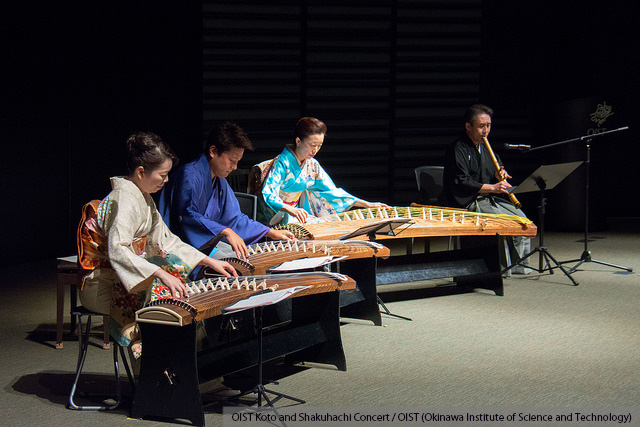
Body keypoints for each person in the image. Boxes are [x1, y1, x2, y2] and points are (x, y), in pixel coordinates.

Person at [79, 132, 237, 355]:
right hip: (106, 282)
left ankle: (182, 369)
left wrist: (207, 260)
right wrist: (159, 274)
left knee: (175, 282)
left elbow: (167, 240)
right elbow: (118, 250)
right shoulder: (124, 198)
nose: (167, 180)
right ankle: (158, 373)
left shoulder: (143, 197)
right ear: (141, 172)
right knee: (166, 294)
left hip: (130, 276)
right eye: (163, 175)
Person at [157, 121, 296, 263]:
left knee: (247, 261)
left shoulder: (219, 180)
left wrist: (271, 233)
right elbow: (187, 215)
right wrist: (225, 231)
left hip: (203, 248)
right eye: (232, 161)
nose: (235, 167)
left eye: (237, 162)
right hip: (180, 250)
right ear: (213, 151)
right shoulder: (189, 175)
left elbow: (234, 218)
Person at [441, 104, 531, 274]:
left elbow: (494, 168)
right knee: (503, 223)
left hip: (487, 197)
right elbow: (461, 181)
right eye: (481, 126)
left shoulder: (485, 147)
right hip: (467, 200)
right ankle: (503, 270)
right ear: (468, 126)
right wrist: (493, 187)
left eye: (488, 125)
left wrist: (500, 173)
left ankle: (520, 266)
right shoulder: (458, 148)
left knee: (523, 221)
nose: (486, 130)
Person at [259, 117, 386, 225]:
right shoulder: (282, 162)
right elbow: (269, 194)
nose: (315, 150)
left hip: (298, 213)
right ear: (298, 141)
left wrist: (366, 204)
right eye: (312, 145)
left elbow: (331, 192)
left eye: (319, 146)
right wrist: (290, 210)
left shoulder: (313, 165)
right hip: (277, 215)